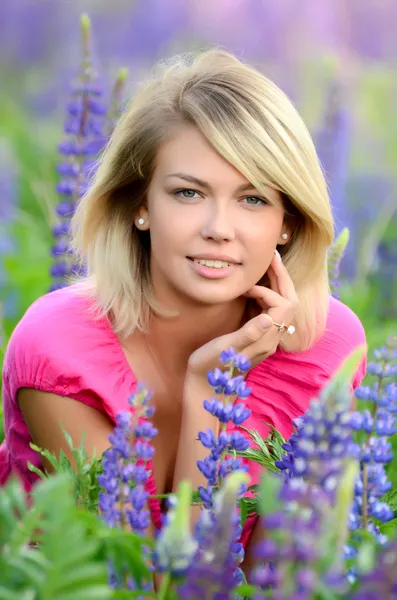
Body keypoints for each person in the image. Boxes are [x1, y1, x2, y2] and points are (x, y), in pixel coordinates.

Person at [0, 49, 366, 573]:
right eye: (189, 193)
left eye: (253, 199)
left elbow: (282, 579)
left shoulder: (324, 347)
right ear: (140, 206)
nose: (219, 227)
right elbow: (137, 583)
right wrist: (212, 392)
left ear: (288, 220)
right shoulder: (59, 350)